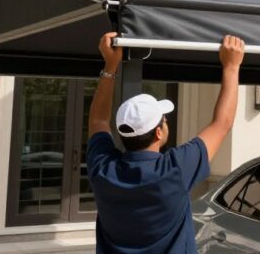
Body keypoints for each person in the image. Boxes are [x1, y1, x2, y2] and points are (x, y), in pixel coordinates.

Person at [86, 32, 245, 254]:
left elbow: (98, 120)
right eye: (164, 119)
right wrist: (231, 66)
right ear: (159, 132)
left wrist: (110, 66)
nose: (166, 121)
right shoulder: (174, 170)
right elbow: (222, 123)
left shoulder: (103, 169)